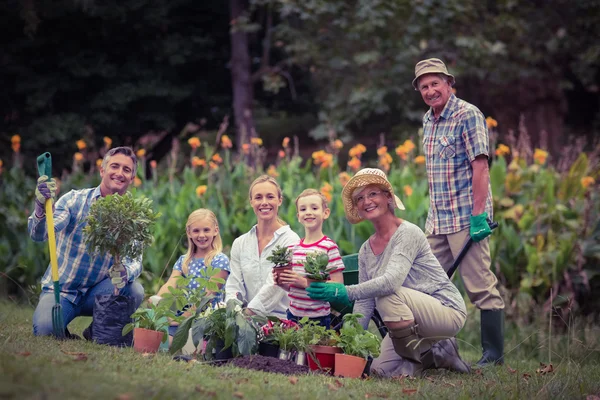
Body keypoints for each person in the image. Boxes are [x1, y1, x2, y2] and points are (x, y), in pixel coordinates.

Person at [307, 168, 470, 377]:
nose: (367, 201)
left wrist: (344, 291)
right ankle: (439, 353)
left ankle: (413, 364)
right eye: (360, 198)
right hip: (410, 318)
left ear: (388, 197)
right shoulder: (365, 250)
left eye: (373, 193)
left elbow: (391, 282)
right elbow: (365, 303)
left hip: (446, 310)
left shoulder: (408, 233)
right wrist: (350, 340)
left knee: (387, 294)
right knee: (379, 370)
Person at [413, 58, 505, 366]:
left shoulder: (468, 114)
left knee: (480, 286)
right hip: (437, 221)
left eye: (435, 83)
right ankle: (438, 353)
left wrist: (478, 215)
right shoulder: (427, 120)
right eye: (424, 86)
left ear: (449, 84)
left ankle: (493, 355)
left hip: (466, 219)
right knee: (427, 285)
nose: (430, 90)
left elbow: (480, 166)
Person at [29, 146, 145, 338]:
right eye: (114, 166)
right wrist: (41, 207)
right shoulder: (75, 200)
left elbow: (135, 260)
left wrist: (126, 272)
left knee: (135, 289)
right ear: (102, 170)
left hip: (98, 293)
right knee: (45, 331)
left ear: (132, 178)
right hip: (62, 291)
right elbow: (41, 233)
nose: (119, 173)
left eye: (126, 169)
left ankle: (96, 330)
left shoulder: (131, 215)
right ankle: (60, 329)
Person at [247, 189, 345, 328]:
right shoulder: (294, 249)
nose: (309, 212)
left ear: (325, 213)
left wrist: (305, 282)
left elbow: (338, 287)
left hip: (318, 319)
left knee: (312, 350)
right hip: (293, 316)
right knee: (293, 350)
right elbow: (293, 289)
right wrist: (282, 283)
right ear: (298, 216)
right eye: (303, 209)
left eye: (314, 208)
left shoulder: (329, 247)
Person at [224, 175, 300, 319]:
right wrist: (232, 313)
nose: (264, 202)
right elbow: (234, 285)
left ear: (280, 200)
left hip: (281, 322)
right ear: (251, 202)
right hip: (244, 321)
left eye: (270, 197)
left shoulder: (290, 240)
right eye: (258, 197)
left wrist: (247, 314)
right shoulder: (240, 243)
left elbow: (275, 286)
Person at [154, 208, 230, 342]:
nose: (201, 235)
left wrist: (179, 320)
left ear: (215, 230)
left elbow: (207, 297)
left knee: (175, 344)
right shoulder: (184, 261)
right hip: (183, 314)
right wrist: (157, 301)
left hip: (207, 319)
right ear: (189, 233)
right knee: (161, 342)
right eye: (196, 231)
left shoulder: (220, 260)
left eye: (206, 230)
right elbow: (170, 285)